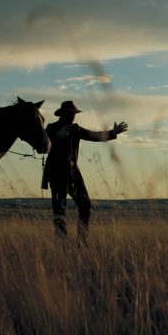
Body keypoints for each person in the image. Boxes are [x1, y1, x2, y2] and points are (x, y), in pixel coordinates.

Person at [43, 101, 128, 241]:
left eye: (74, 114)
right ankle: (62, 245)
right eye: (71, 113)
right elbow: (43, 147)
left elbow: (93, 136)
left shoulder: (75, 129)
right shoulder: (51, 129)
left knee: (85, 206)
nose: (73, 117)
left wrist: (113, 132)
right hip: (56, 173)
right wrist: (58, 136)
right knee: (59, 212)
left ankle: (81, 242)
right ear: (63, 114)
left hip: (73, 173)